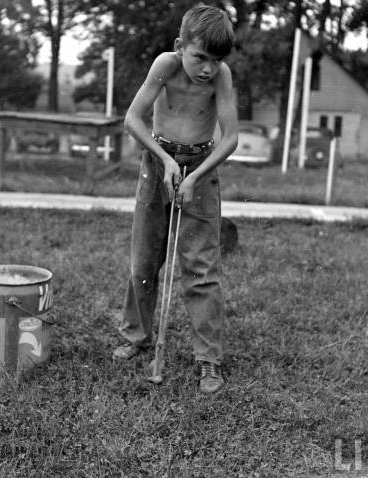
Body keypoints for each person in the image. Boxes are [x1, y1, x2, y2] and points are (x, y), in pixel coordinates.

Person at [113, 3, 237, 394]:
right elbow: (133, 119)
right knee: (144, 260)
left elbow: (230, 137)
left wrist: (195, 176)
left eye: (216, 61)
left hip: (201, 165)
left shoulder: (221, 77)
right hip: (157, 162)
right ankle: (137, 336)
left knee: (201, 269)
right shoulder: (165, 65)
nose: (207, 69)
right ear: (180, 45)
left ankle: (208, 360)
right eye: (200, 57)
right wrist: (166, 160)